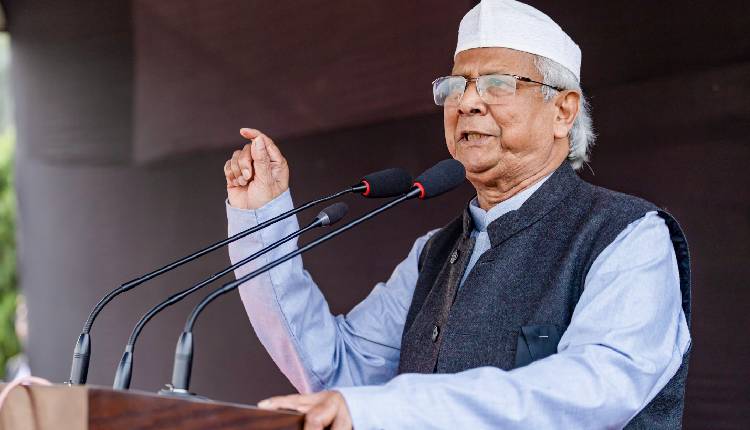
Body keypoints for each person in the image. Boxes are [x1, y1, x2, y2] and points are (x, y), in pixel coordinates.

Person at [222, 1, 691, 428]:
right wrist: (261, 219)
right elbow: (339, 372)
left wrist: (394, 408)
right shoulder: (433, 253)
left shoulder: (629, 235)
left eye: (497, 84)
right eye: (454, 87)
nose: (466, 102)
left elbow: (592, 390)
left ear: (563, 112)